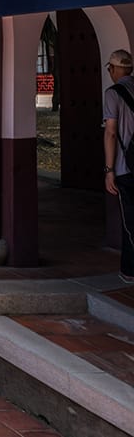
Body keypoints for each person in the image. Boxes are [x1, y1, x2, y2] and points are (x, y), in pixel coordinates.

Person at [102, 48, 134, 281]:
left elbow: (111, 132)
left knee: (130, 221)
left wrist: (109, 170)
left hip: (126, 167)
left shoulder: (113, 94)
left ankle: (130, 271)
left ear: (113, 69)